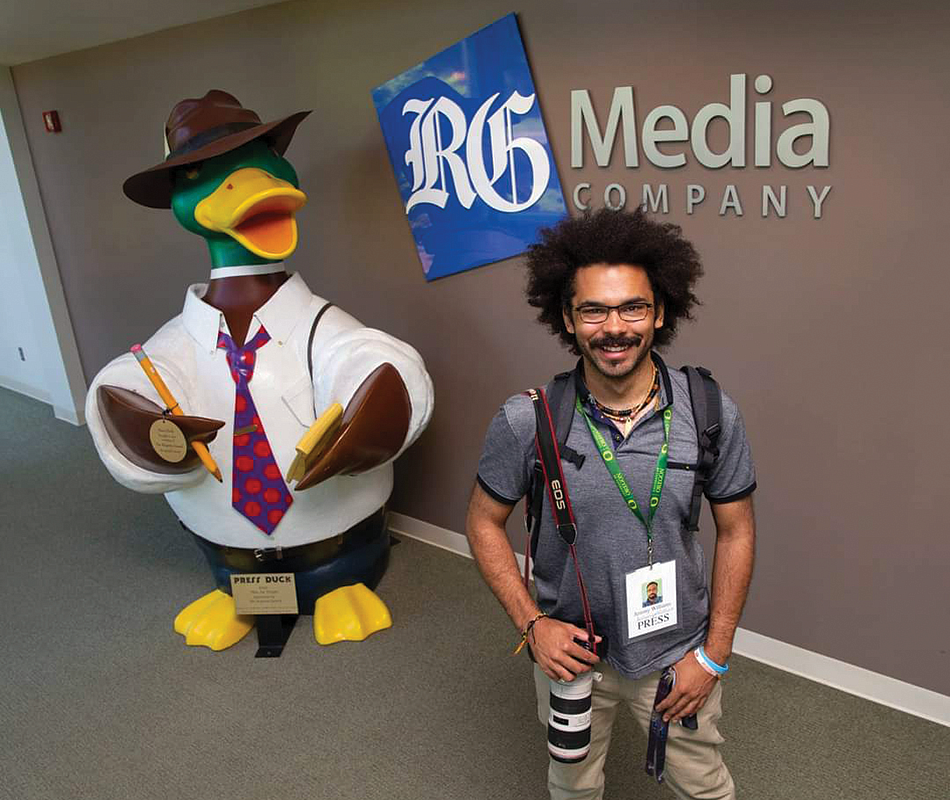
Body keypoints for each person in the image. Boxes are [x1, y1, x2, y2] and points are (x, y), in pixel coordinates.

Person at [466, 208, 756, 800]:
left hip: (678, 652)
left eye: (633, 307)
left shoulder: (708, 412)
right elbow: (482, 522)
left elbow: (738, 532)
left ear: (661, 312)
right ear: (567, 319)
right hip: (572, 656)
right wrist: (532, 624)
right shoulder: (529, 419)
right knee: (572, 786)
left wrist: (716, 655)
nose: (614, 327)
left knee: (704, 788)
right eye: (593, 310)